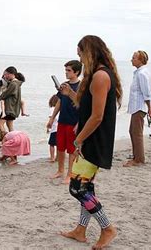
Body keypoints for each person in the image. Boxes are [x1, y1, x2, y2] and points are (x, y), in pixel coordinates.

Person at [60, 35, 122, 249]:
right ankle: (80, 230)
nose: (81, 60)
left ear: (89, 52)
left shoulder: (101, 76)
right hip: (91, 137)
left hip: (94, 139)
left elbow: (97, 117)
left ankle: (107, 228)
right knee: (86, 187)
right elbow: (87, 107)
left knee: (77, 189)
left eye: (81, 55)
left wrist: (78, 141)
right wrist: (70, 94)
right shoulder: (97, 74)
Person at [46, 60, 82, 184]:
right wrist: (52, 118)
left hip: (73, 122)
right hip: (62, 121)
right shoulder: (64, 85)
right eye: (65, 70)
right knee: (60, 147)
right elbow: (59, 102)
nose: (66, 73)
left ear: (76, 72)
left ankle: (70, 174)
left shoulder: (81, 87)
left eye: (69, 70)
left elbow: (84, 107)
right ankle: (60, 170)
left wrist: (79, 123)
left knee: (72, 150)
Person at [124, 50, 151, 167]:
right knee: (132, 131)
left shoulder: (142, 74)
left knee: (137, 133)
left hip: (139, 107)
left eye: (134, 58)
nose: (132, 59)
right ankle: (136, 155)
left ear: (140, 60)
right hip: (136, 107)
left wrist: (150, 108)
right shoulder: (138, 73)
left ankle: (139, 159)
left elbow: (147, 93)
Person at [0, 66, 24, 132]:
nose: (5, 76)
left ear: (12, 74)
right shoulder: (17, 83)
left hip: (9, 109)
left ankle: (6, 140)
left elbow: (4, 95)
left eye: (6, 74)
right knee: (9, 125)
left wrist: (0, 96)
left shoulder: (13, 84)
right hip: (13, 109)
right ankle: (13, 140)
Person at [47, 94, 60, 162]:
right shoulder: (61, 109)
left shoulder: (52, 109)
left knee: (51, 144)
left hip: (54, 129)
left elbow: (51, 119)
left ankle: (52, 157)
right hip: (60, 128)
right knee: (58, 144)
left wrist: (48, 127)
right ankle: (58, 157)